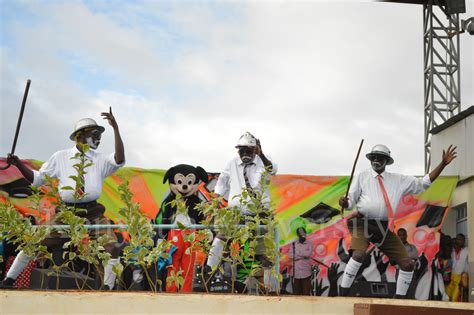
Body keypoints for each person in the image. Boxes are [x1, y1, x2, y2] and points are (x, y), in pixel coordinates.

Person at [1, 108, 125, 290]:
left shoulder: (100, 160)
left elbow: (119, 159)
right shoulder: (60, 157)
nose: (98, 138)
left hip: (93, 213)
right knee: (34, 243)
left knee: (112, 247)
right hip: (66, 213)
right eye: (95, 134)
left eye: (100, 135)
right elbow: (37, 179)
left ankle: (108, 288)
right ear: (80, 136)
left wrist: (116, 129)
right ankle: (8, 280)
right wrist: (18, 163)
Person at [338, 144, 457, 299]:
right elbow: (350, 202)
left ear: (386, 161)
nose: (375, 160)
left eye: (379, 157)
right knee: (359, 255)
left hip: (382, 227)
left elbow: (423, 184)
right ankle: (342, 294)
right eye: (373, 157)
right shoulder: (362, 176)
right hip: (362, 223)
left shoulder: (398, 180)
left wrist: (442, 164)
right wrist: (344, 203)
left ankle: (398, 302)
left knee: (408, 264)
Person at [206, 132, 277, 289]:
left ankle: (272, 289)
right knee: (220, 239)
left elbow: (272, 170)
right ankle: (206, 276)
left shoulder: (263, 161)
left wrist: (261, 154)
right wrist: (215, 201)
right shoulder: (232, 163)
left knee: (263, 252)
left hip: (260, 214)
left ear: (255, 149)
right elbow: (222, 182)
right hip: (235, 212)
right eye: (241, 150)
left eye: (248, 150)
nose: (245, 153)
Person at [288, 227, 314, 295]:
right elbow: (290, 255)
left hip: (306, 271)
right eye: (299, 232)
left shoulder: (309, 243)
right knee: (296, 292)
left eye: (302, 232)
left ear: (305, 233)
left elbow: (308, 254)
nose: (301, 234)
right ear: (297, 234)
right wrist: (303, 255)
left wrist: (297, 252)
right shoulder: (294, 244)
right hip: (295, 271)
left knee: (306, 292)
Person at [446, 233, 469, 302]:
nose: (462, 241)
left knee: (454, 297)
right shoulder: (451, 251)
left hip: (460, 277)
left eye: (463, 240)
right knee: (447, 294)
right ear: (456, 240)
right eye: (459, 239)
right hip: (452, 277)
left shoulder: (466, 250)